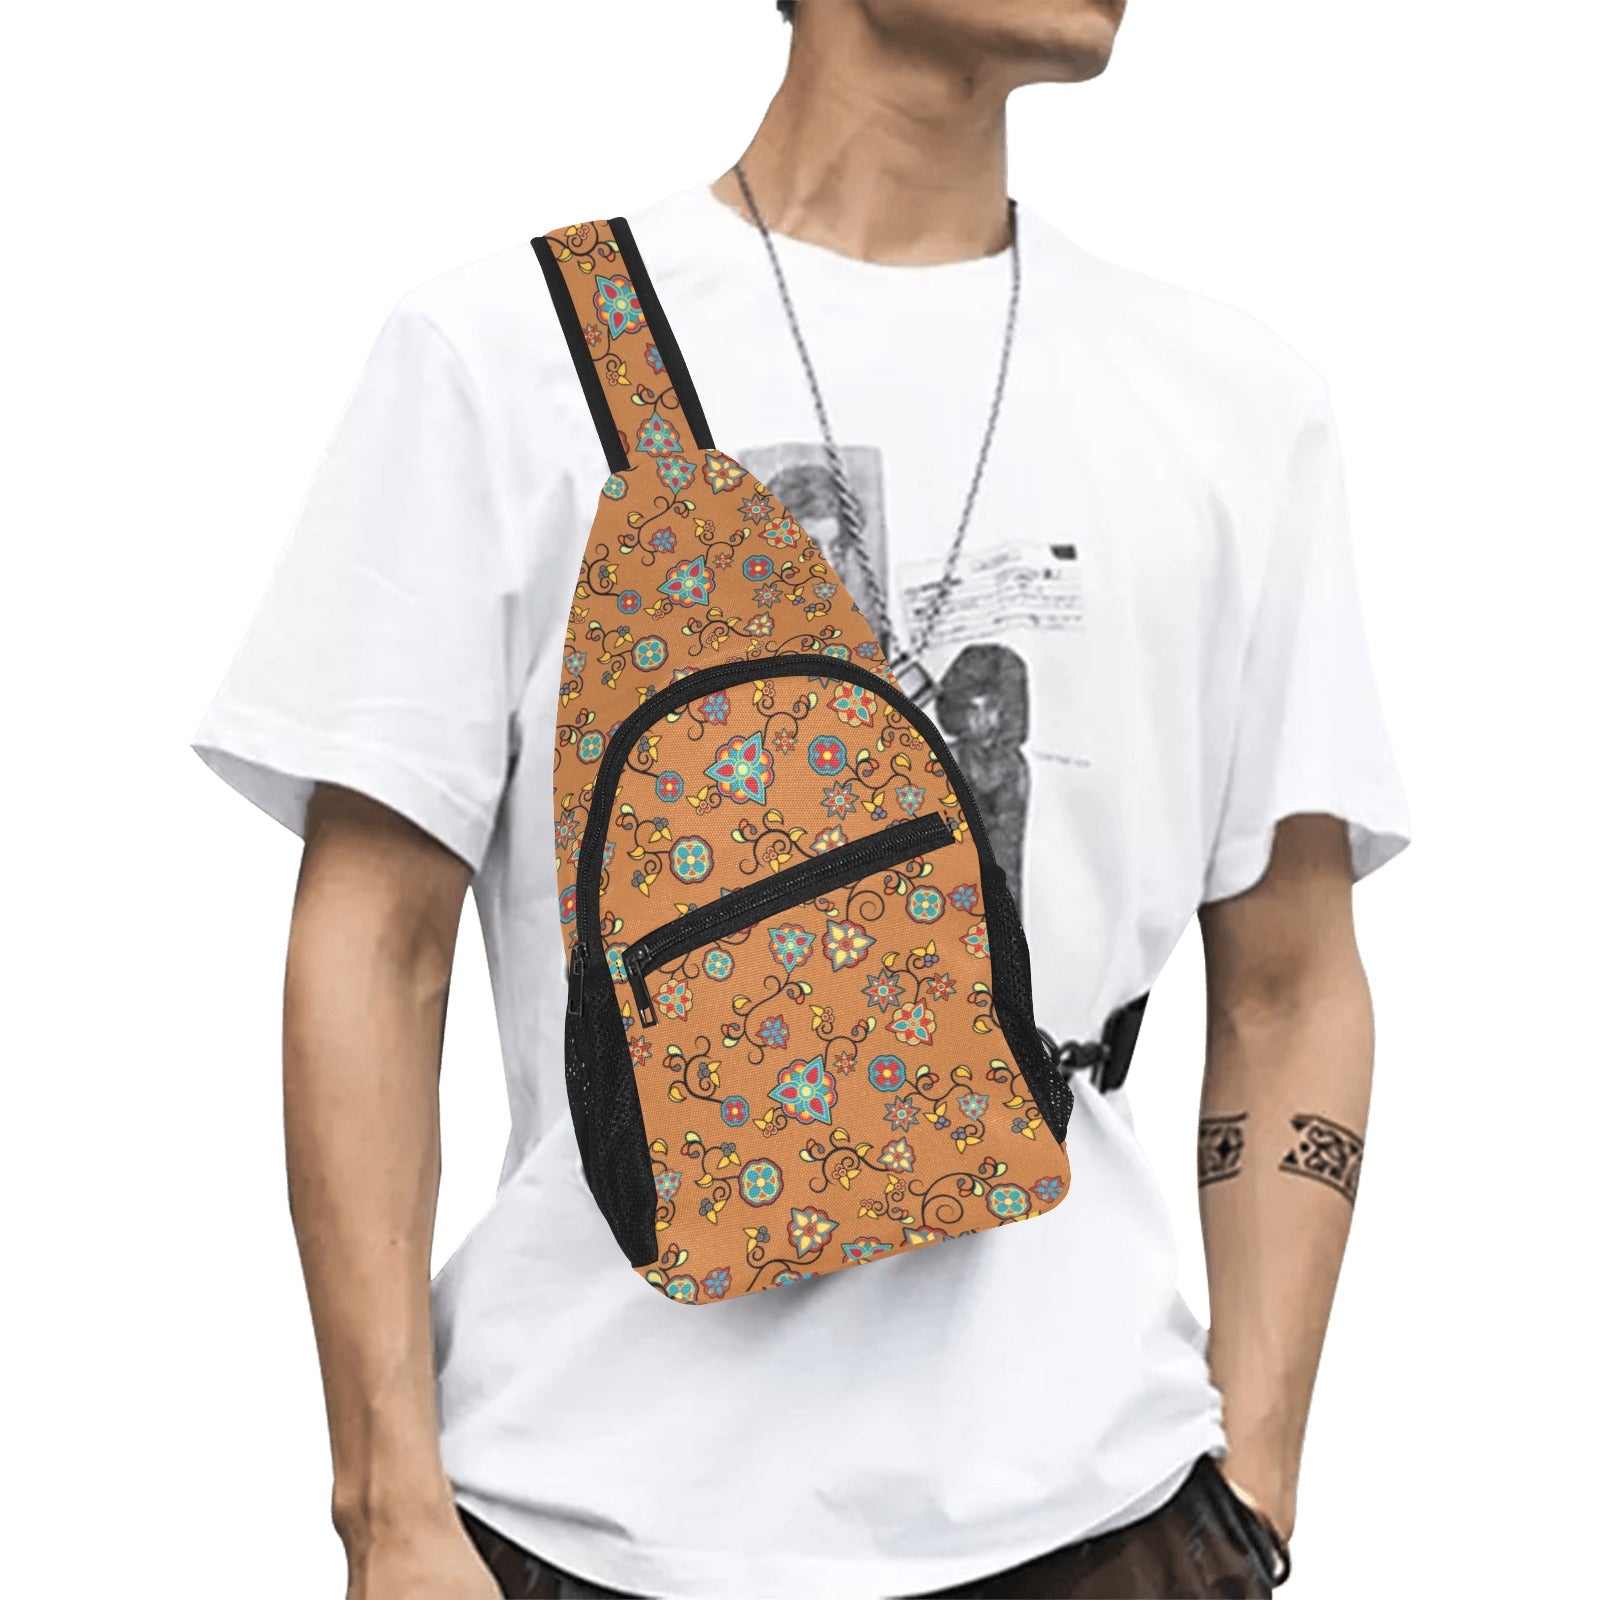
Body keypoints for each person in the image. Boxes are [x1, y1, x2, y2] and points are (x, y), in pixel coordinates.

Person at [192, 1, 1409, 1595]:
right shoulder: (509, 353)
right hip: (577, 1516)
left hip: (1101, 1510)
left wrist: (1257, 1484)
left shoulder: (1234, 403)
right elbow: (375, 942)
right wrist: (388, 1505)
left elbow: (1291, 982)